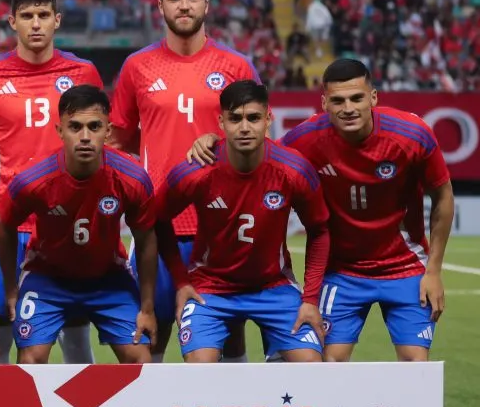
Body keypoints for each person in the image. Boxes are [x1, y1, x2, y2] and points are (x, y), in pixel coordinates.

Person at [191, 59, 452, 361]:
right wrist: (214, 142)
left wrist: (433, 271)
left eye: (357, 98)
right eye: (338, 100)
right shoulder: (305, 139)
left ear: (374, 98)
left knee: (415, 363)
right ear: (324, 103)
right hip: (342, 272)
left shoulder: (411, 134)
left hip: (405, 266)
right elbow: (261, 156)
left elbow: (443, 196)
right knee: (327, 363)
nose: (348, 108)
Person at [0, 0, 103, 364]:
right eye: (27, 16)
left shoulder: (83, 72)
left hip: (67, 223)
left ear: (57, 21)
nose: (36, 24)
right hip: (6, 224)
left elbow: (102, 141)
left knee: (76, 334)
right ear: (12, 21)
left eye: (43, 16)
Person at [109, 0, 262, 363]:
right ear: (159, 6)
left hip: (221, 226)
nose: (184, 5)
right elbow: (120, 138)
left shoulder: (236, 66)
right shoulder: (136, 67)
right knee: (149, 342)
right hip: (157, 227)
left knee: (228, 341)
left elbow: (259, 139)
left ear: (206, 5)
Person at [158, 80, 328, 363]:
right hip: (210, 289)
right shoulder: (196, 172)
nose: (245, 127)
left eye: (253, 118)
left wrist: (310, 299)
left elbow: (320, 230)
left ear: (268, 119)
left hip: (273, 286)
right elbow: (157, 219)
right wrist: (181, 282)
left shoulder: (293, 170)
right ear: (221, 122)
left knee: (310, 364)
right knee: (199, 367)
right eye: (235, 119)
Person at [0, 85, 158, 364]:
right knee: (31, 359)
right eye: (75, 127)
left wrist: (147, 307)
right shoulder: (33, 181)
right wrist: (11, 288)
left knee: (140, 357)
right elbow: (4, 226)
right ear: (60, 131)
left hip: (109, 279)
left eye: (94, 126)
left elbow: (146, 241)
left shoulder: (132, 178)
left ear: (108, 130)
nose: (85, 137)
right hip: (47, 278)